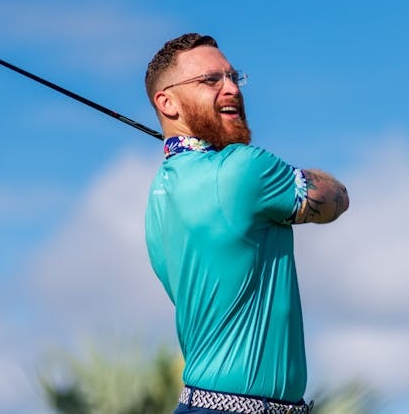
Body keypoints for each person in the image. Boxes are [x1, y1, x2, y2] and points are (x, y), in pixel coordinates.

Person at [144, 33, 349, 414]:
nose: (231, 89)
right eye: (210, 81)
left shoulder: (160, 191)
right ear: (167, 102)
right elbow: (337, 199)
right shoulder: (245, 168)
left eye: (234, 78)